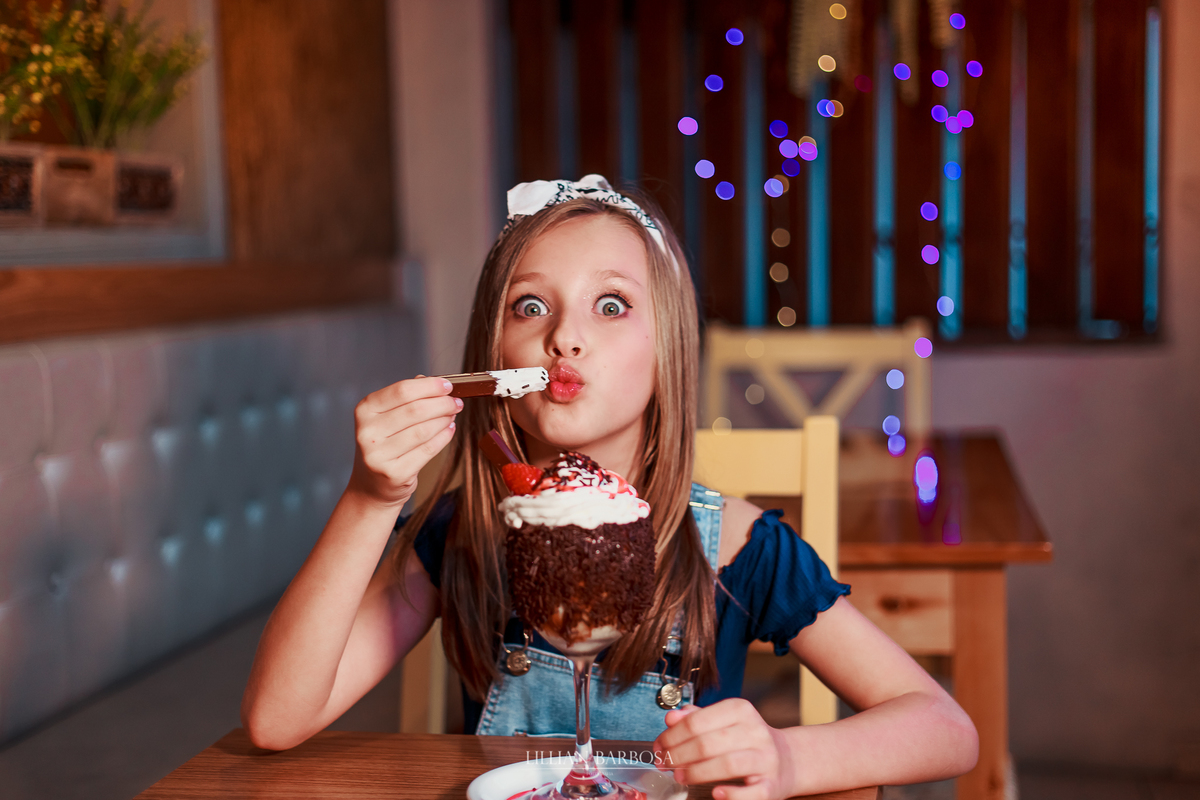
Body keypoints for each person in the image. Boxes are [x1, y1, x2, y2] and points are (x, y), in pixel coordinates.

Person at [242, 175, 978, 799]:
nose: (564, 335)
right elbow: (276, 719)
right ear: (492, 352)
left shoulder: (740, 549)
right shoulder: (463, 530)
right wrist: (370, 497)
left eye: (612, 304)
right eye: (531, 306)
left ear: (669, 350)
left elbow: (946, 728)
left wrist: (787, 759)